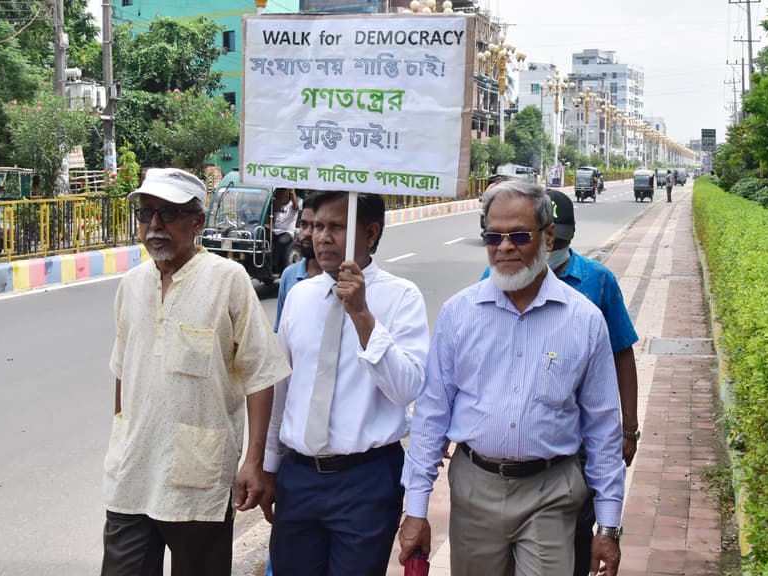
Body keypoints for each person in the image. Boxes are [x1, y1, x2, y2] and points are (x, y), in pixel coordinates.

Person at [399, 181, 625, 576]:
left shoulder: (584, 320)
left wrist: (607, 525)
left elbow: (603, 428)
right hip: (474, 490)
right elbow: (431, 414)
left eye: (519, 236)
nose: (504, 247)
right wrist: (416, 510)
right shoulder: (458, 315)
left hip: (550, 492)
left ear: (548, 237)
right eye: (493, 236)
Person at [101, 168, 291, 576]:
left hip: (197, 479)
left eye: (167, 214)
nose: (154, 226)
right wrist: (120, 437)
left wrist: (254, 462)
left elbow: (261, 375)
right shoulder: (131, 285)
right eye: (146, 213)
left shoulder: (228, 280)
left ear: (197, 222)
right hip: (131, 474)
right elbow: (123, 370)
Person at [265, 191, 430, 576]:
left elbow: (408, 388)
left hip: (365, 481)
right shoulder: (300, 297)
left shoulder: (401, 297)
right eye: (317, 226)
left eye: (336, 227)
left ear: (370, 232)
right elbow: (282, 390)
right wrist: (268, 465)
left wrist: (362, 316)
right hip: (300, 477)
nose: (321, 237)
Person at [274, 193, 322, 332]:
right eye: (303, 225)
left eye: (316, 226)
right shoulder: (289, 275)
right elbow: (282, 331)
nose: (307, 233)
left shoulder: (343, 280)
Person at [271, 188, 299, 271]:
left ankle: (274, 265)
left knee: (280, 242)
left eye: (283, 194)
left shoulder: (292, 205)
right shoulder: (276, 205)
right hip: (275, 231)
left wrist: (292, 191)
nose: (281, 196)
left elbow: (296, 206)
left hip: (287, 232)